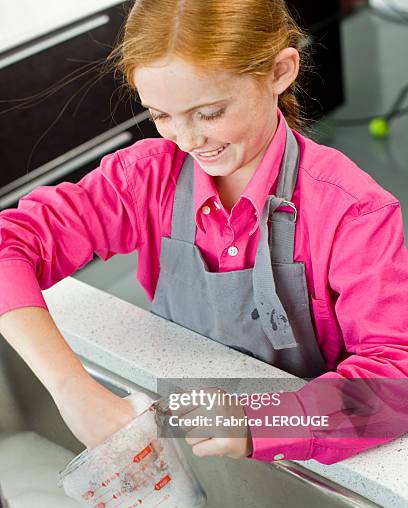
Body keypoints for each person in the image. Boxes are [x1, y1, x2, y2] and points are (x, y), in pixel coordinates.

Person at [0, 0, 407, 464]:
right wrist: (71, 388)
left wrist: (261, 422)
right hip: (188, 428)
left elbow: (394, 378)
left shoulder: (353, 210)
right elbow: (8, 246)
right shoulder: (145, 177)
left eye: (209, 113)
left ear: (280, 71)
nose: (187, 141)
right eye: (160, 114)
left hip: (304, 448)